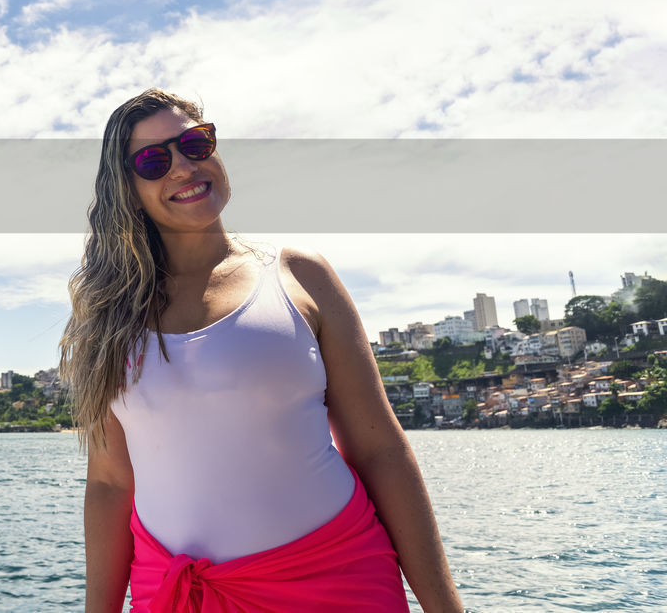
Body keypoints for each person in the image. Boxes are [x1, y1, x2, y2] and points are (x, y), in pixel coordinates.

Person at [59, 89, 463, 613]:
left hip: (336, 579)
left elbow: (379, 449)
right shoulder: (107, 317)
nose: (183, 166)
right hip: (178, 595)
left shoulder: (299, 274)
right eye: (154, 161)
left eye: (195, 144)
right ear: (128, 190)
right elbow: (111, 484)